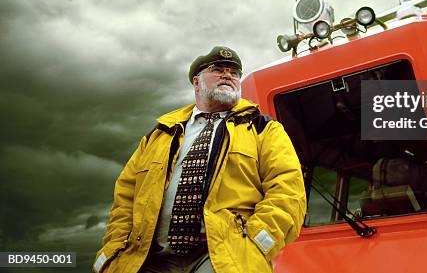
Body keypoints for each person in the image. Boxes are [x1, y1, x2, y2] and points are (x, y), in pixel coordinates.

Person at [94, 46, 306, 273]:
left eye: (234, 72)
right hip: (151, 257)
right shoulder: (160, 134)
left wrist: (256, 242)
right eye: (218, 69)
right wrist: (116, 244)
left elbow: (288, 190)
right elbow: (126, 196)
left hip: (224, 256)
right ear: (197, 82)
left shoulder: (264, 128)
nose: (228, 75)